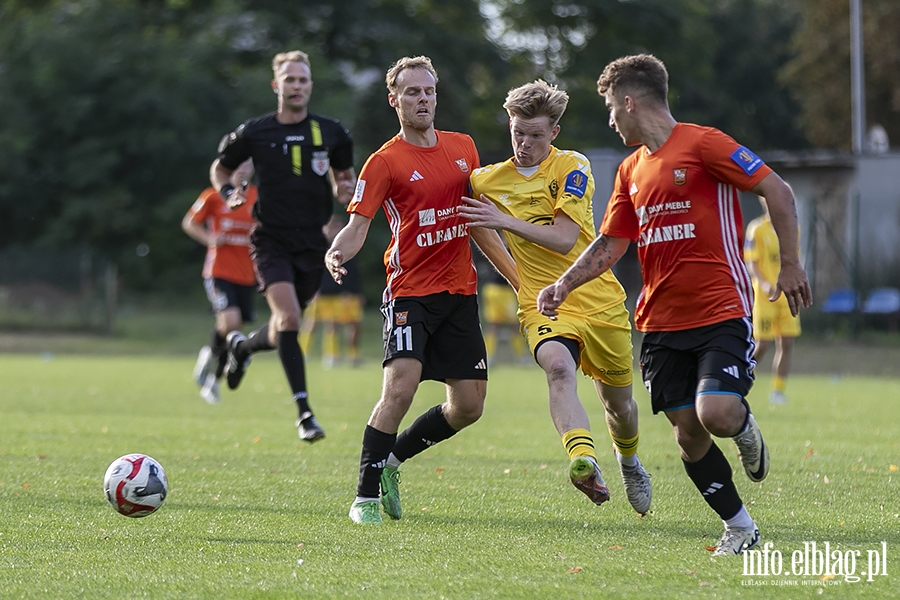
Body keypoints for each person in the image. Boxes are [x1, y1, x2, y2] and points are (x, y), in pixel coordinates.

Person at [536, 54, 812, 556]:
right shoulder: (628, 170)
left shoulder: (705, 143)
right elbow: (610, 245)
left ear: (629, 100)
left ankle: (744, 426)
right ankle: (740, 527)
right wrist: (563, 285)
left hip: (721, 310)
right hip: (660, 324)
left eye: (609, 108)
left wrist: (790, 262)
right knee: (688, 435)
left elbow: (777, 188)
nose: (610, 120)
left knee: (718, 414)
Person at [325, 55, 517, 524]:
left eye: (429, 91)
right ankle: (364, 497)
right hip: (410, 291)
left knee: (469, 406)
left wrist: (519, 280)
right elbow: (357, 226)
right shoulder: (384, 161)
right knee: (402, 385)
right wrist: (336, 252)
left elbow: (480, 224)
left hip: (460, 294)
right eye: (412, 92)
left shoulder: (464, 148)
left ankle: (391, 463)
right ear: (395, 101)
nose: (423, 99)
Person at [461, 80, 651, 514]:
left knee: (619, 404)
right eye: (517, 133)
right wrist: (516, 279)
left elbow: (565, 240)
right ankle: (582, 459)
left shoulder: (572, 166)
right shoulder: (488, 180)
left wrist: (503, 222)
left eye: (535, 135)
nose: (525, 144)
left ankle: (629, 460)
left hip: (598, 298)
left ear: (554, 134)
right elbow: (478, 225)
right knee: (558, 369)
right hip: (543, 305)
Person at [210, 50, 356, 443]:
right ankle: (304, 412)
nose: (296, 86)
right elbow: (221, 168)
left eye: (303, 80)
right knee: (290, 319)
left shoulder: (331, 132)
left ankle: (242, 348)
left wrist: (345, 188)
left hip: (312, 243)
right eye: (289, 80)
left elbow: (344, 174)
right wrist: (228, 192)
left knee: (281, 328)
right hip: (270, 239)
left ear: (311, 86)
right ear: (277, 86)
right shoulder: (256, 132)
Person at [182, 158, 258, 404]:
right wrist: (210, 238)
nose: (243, 169)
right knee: (232, 322)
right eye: (238, 164)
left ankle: (209, 355)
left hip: (247, 274)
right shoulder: (213, 196)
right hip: (218, 271)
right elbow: (190, 222)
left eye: (248, 165)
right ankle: (213, 382)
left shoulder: (258, 197)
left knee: (232, 330)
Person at [744, 196, 801, 405]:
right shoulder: (757, 228)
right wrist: (763, 283)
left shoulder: (792, 228)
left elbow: (794, 260)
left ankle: (778, 390)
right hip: (766, 295)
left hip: (787, 295)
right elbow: (751, 261)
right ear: (764, 202)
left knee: (786, 342)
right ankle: (742, 381)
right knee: (763, 344)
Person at [308, 215, 365, 368]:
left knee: (353, 324)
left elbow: (352, 271)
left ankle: (351, 356)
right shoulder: (319, 247)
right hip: (323, 293)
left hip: (342, 293)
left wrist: (353, 291)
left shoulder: (346, 246)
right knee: (319, 323)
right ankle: (315, 354)